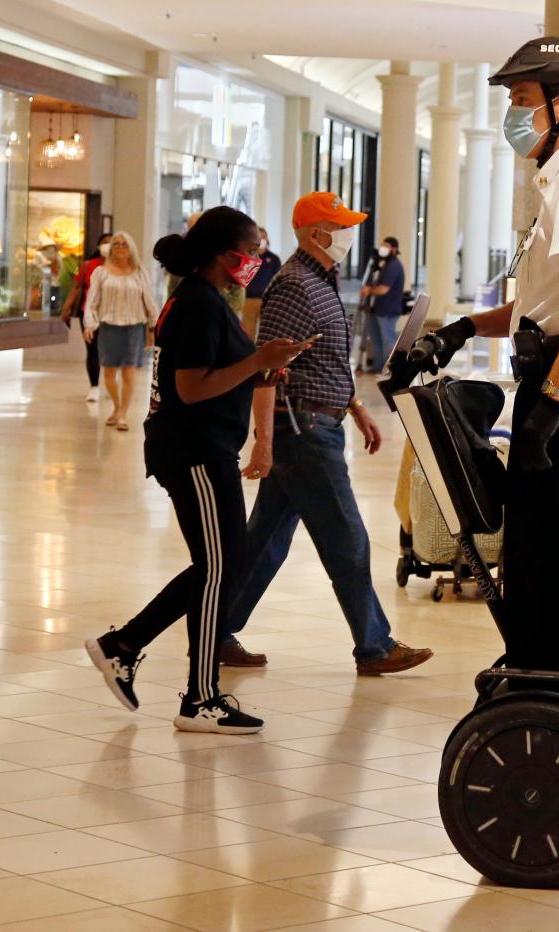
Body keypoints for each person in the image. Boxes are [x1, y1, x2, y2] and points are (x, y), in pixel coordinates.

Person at [417, 37, 559, 674]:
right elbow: (549, 309)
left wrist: (552, 400)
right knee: (543, 557)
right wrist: (462, 328)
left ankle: (554, 694)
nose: (513, 114)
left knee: (547, 560)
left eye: (522, 99)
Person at [84, 206, 313, 733]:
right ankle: (200, 697)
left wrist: (263, 366)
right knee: (217, 568)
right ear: (223, 254)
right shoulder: (196, 305)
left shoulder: (207, 300)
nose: (256, 259)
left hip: (202, 448)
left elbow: (217, 374)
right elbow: (191, 389)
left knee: (217, 566)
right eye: (250, 250)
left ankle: (124, 646)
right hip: (194, 451)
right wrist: (257, 363)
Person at [228, 193, 433, 674]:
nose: (348, 235)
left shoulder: (322, 280)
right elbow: (267, 368)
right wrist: (263, 440)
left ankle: (216, 630)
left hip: (319, 421)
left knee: (266, 540)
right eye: (339, 227)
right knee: (348, 537)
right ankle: (375, 646)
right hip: (303, 431)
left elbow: (322, 361)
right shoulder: (295, 285)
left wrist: (357, 407)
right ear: (316, 233)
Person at [83, 232, 159, 431]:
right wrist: (90, 324)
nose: (119, 247)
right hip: (108, 327)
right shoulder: (101, 272)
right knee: (108, 371)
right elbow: (91, 302)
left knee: (129, 371)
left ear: (130, 248)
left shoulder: (139, 272)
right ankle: (116, 406)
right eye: (116, 244)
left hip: (134, 328)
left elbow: (149, 301)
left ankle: (123, 414)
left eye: (124, 244)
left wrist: (153, 327)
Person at [60, 232, 112, 403]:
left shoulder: (122, 266)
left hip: (112, 314)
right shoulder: (88, 265)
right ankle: (94, 387)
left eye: (111, 242)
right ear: (98, 246)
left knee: (112, 351)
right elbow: (76, 288)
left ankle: (112, 385)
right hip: (89, 313)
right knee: (93, 350)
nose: (108, 245)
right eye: (104, 242)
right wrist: (66, 308)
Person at [359, 236, 406, 374]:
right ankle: (378, 367)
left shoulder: (393, 266)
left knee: (388, 340)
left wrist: (369, 290)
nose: (382, 248)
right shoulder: (386, 264)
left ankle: (393, 370)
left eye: (386, 245)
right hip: (379, 309)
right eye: (382, 245)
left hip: (388, 310)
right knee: (377, 339)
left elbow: (384, 289)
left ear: (394, 249)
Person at [243, 226, 283, 338]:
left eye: (264, 237)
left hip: (268, 301)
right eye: (259, 237)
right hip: (249, 299)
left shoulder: (274, 259)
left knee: (269, 331)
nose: (262, 240)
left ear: (267, 239)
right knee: (247, 332)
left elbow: (279, 280)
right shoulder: (248, 257)